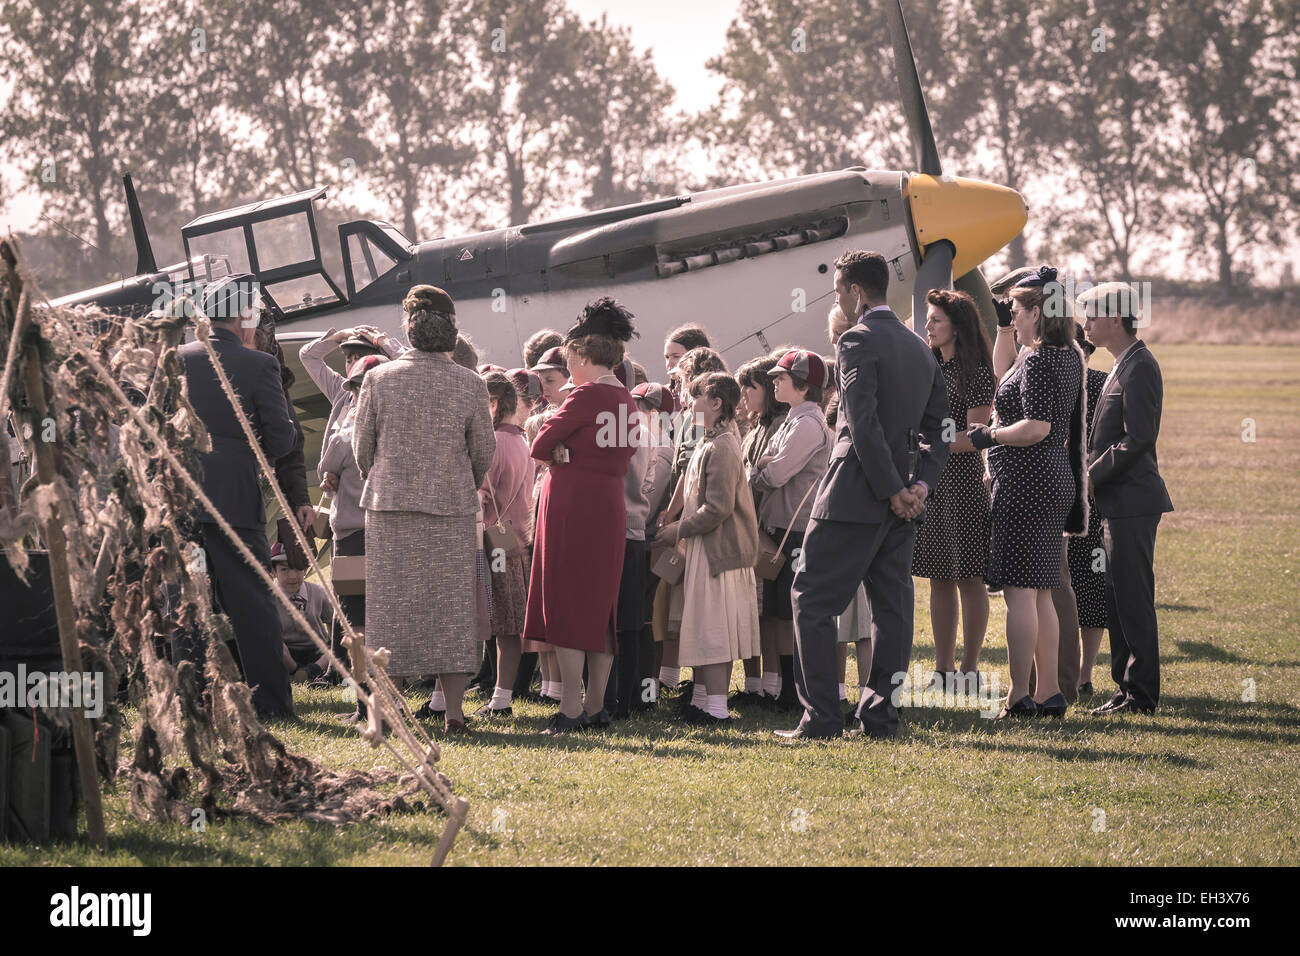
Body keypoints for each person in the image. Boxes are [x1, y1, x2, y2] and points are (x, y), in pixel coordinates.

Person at [779, 250, 949, 740]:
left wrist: (895, 488)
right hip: (903, 504)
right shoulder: (921, 349)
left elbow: (864, 423)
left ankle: (822, 718)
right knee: (891, 609)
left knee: (810, 599)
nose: (838, 300)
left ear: (855, 292)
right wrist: (919, 485)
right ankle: (880, 718)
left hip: (854, 496)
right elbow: (941, 428)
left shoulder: (855, 340)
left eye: (837, 291)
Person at [353, 285, 496, 735]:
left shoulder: (378, 379)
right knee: (450, 610)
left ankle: (389, 714)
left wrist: (388, 476)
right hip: (449, 510)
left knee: (390, 612)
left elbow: (362, 448)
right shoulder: (471, 383)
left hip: (391, 508)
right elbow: (483, 452)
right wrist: (458, 482)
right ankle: (453, 714)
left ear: (409, 329)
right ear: (451, 331)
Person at [967, 266, 1088, 719]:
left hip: (1026, 483)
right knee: (1040, 593)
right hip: (1051, 480)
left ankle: (1019, 694)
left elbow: (1037, 427)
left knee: (1020, 594)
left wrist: (988, 437)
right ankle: (1049, 691)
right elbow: (1006, 373)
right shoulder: (1067, 354)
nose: (1012, 317)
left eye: (1016, 310)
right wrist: (1002, 327)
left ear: (1037, 311)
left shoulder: (1038, 362)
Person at [178, 273, 298, 719]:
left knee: (188, 601)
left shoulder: (175, 359)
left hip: (182, 497)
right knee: (252, 603)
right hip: (234, 497)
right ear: (246, 317)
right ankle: (270, 704)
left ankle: (191, 703)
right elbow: (283, 441)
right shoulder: (260, 365)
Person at [522, 298, 639, 734]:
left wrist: (561, 453)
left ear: (583, 355)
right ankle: (595, 705)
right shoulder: (624, 397)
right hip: (608, 502)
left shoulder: (587, 395)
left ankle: (570, 708)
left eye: (570, 356)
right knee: (600, 604)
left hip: (573, 503)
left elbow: (538, 445)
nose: (567, 363)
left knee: (568, 602)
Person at [1080, 282, 1173, 715]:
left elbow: (1139, 438)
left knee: (1133, 598)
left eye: (1093, 316)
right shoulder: (1122, 363)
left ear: (1115, 319)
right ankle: (1125, 687)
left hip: (1133, 501)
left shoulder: (1140, 367)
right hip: (1115, 501)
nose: (1086, 324)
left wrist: (1089, 475)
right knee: (1116, 598)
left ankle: (1142, 695)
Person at [300, 327, 396, 715]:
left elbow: (330, 461)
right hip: (386, 529)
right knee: (383, 615)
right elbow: (309, 355)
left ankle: (365, 703)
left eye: (358, 353)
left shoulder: (353, 420)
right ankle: (384, 699)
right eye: (347, 353)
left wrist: (386, 343)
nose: (350, 360)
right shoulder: (397, 417)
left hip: (353, 531)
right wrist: (337, 336)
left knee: (356, 619)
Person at [658, 372, 760, 724]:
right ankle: (701, 701)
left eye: (695, 397)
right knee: (702, 624)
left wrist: (677, 530)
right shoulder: (708, 443)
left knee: (715, 628)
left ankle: (716, 708)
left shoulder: (723, 447)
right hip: (705, 549)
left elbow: (718, 508)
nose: (689, 403)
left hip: (721, 553)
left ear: (716, 404)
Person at [913, 289, 994, 691]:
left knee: (970, 577)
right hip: (930, 479)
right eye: (928, 319)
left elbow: (978, 434)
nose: (927, 326)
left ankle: (970, 669)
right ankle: (943, 670)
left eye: (935, 320)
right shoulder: (926, 365)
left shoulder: (977, 370)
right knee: (937, 577)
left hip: (962, 480)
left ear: (956, 327)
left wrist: (932, 441)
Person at [752, 350, 832, 711]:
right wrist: (763, 466)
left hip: (797, 530)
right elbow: (766, 462)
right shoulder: (792, 420)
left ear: (802, 386)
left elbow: (774, 472)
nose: (774, 383)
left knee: (789, 611)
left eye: (781, 379)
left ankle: (792, 691)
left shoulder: (806, 424)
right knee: (778, 610)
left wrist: (759, 470)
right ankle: (782, 685)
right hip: (783, 525)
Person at [476, 372, 536, 720]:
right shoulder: (523, 443)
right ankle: (502, 696)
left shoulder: (493, 443)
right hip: (515, 543)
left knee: (485, 619)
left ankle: (448, 698)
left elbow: (479, 495)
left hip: (489, 542)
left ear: (495, 405)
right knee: (509, 624)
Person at [735, 354, 789, 705]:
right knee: (756, 611)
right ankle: (760, 685)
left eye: (749, 389)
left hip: (772, 527)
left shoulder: (780, 424)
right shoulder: (754, 428)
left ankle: (777, 683)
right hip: (750, 526)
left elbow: (765, 475)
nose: (744, 397)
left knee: (774, 612)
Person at [1065, 323, 1109, 696]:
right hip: (1062, 492)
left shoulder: (1103, 383)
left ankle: (1084, 674)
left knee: (1091, 582)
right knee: (1062, 582)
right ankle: (1068, 672)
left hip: (1092, 494)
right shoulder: (1053, 381)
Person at [270, 542, 332, 682]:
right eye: (284, 569)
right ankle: (297, 671)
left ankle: (312, 671)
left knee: (337, 650)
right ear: (273, 571)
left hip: (317, 652)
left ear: (305, 570)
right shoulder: (268, 598)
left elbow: (333, 624)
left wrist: (331, 648)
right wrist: (293, 666)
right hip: (286, 653)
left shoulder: (318, 593)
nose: (292, 576)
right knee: (272, 644)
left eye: (298, 569)